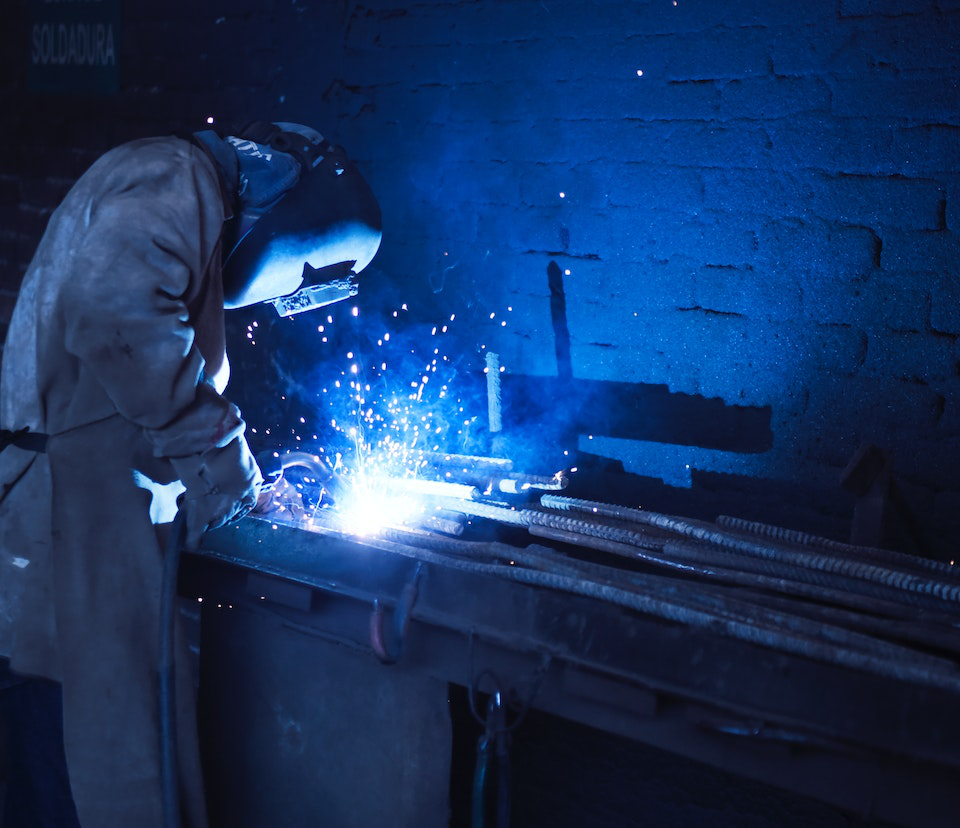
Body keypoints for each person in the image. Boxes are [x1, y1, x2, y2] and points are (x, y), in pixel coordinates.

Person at [0, 121, 381, 826]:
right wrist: (231, 475)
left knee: (60, 749)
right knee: (88, 767)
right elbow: (116, 314)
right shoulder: (178, 177)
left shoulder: (167, 182)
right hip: (77, 521)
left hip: (79, 512)